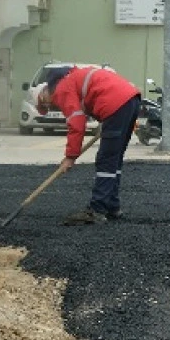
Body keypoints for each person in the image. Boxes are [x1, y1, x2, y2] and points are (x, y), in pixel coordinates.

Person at [35, 65, 141, 225]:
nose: (49, 107)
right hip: (130, 100)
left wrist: (70, 157)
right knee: (114, 158)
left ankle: (97, 209)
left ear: (44, 93)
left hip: (116, 104)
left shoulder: (62, 89)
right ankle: (112, 206)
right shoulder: (74, 77)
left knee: (106, 159)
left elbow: (76, 122)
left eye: (45, 105)